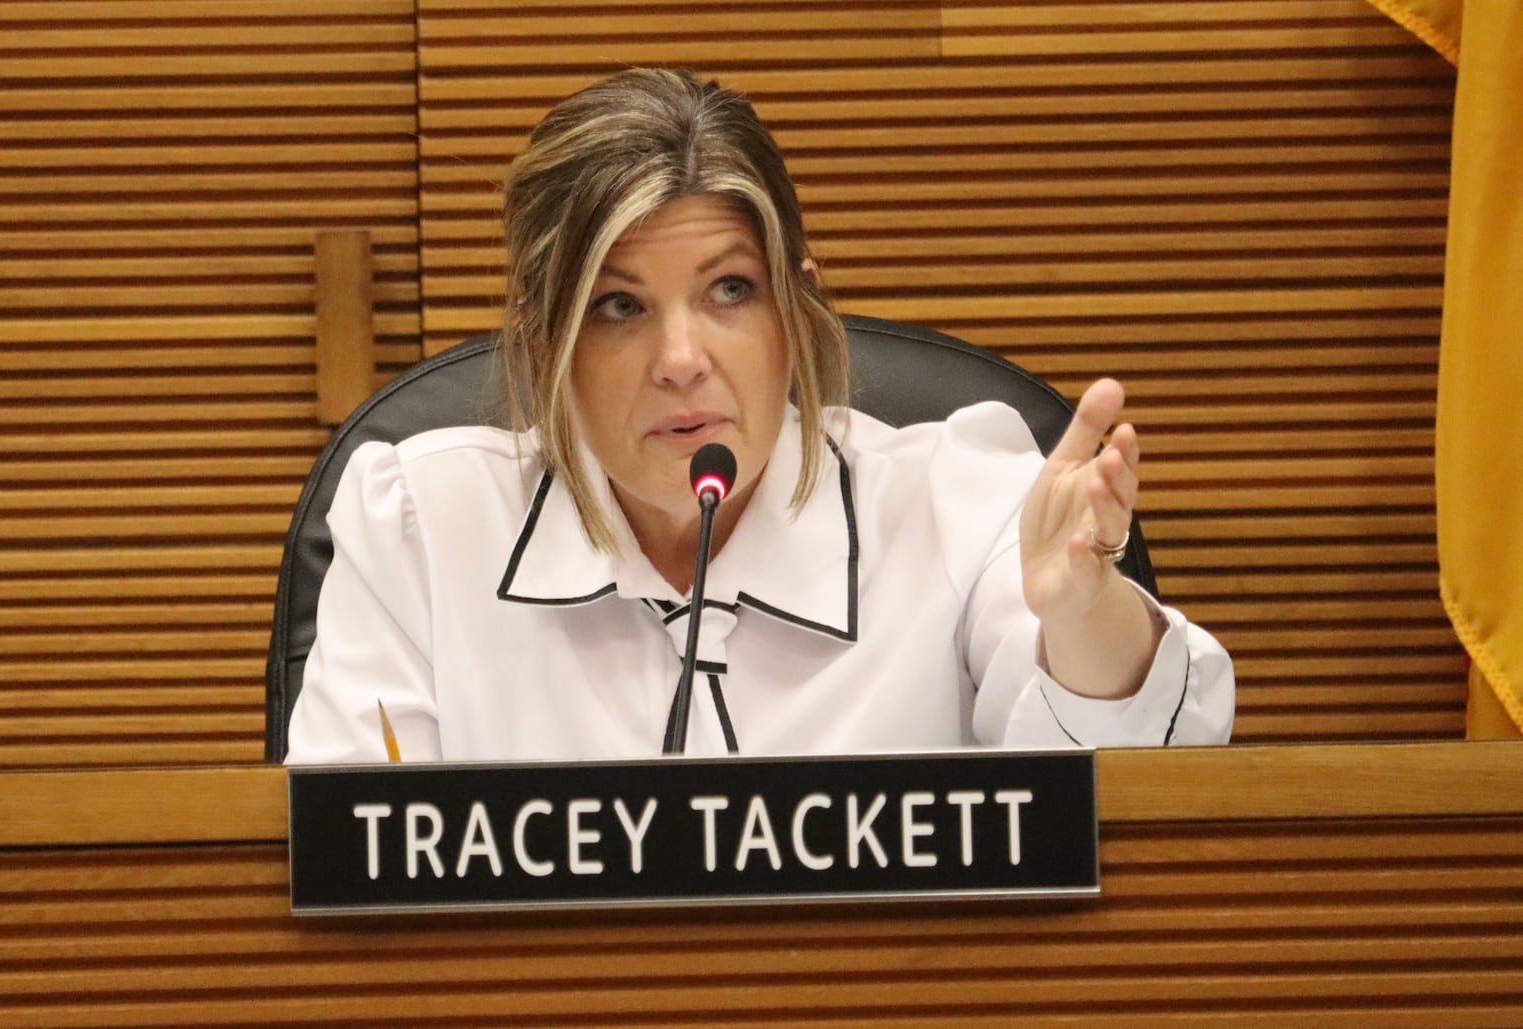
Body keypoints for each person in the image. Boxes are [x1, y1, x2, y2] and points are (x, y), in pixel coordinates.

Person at [285, 68, 1234, 764]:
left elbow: (1140, 783)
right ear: (543, 343)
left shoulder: (957, 500)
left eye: (730, 290)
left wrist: (1082, 618)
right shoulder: (419, 528)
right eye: (620, 305)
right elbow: (352, 871)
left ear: (796, 310)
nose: (681, 360)